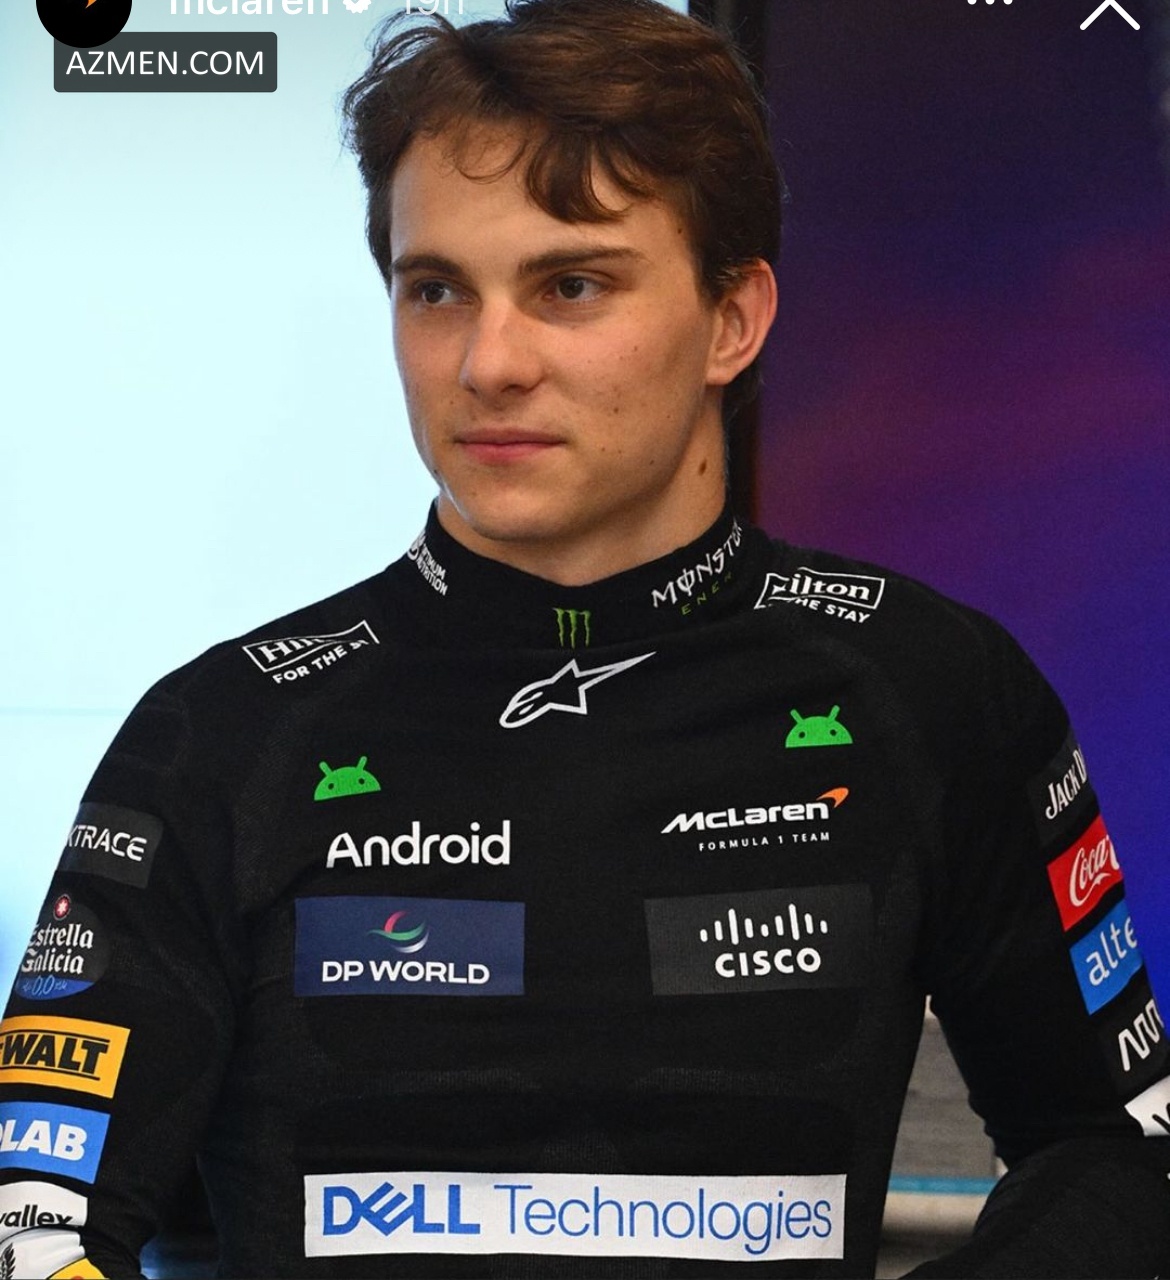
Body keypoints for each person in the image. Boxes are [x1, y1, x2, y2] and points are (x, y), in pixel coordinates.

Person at [1, 0, 1168, 1275]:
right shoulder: (222, 733)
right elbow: (32, 1212)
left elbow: (1119, 1152)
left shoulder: (935, 692)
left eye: (570, 285)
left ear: (734, 318)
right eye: (437, 289)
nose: (488, 362)